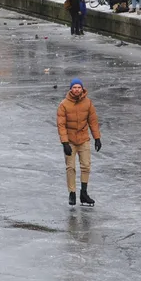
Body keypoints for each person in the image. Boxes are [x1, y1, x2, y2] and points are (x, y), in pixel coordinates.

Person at [56, 78, 102, 207]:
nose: (77, 90)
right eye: (74, 87)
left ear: (82, 89)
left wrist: (97, 138)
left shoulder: (88, 103)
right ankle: (72, 193)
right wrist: (65, 143)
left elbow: (93, 121)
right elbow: (61, 125)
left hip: (83, 139)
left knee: (86, 166)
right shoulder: (64, 104)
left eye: (79, 87)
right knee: (70, 167)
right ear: (71, 89)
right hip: (70, 140)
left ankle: (84, 193)